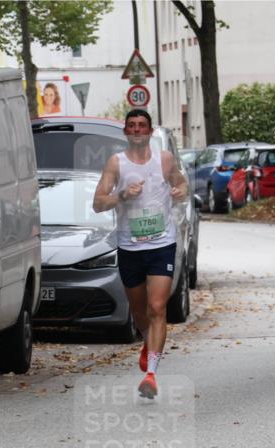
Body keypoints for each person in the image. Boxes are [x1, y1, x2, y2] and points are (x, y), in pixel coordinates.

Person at [93, 109, 188, 398]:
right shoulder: (116, 163)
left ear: (149, 132)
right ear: (126, 131)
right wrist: (123, 195)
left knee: (157, 307)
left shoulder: (164, 159)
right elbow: (98, 203)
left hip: (161, 244)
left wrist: (179, 191)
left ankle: (151, 375)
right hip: (130, 245)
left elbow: (181, 182)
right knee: (139, 311)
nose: (137, 130)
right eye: (132, 126)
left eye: (142, 126)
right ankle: (149, 342)